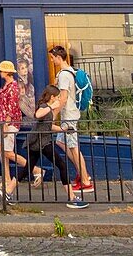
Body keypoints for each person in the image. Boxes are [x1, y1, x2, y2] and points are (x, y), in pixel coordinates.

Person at [26, 85, 88, 209]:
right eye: (58, 97)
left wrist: (62, 129)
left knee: (26, 169)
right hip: (43, 142)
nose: (59, 99)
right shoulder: (45, 106)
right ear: (52, 97)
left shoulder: (48, 108)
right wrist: (51, 107)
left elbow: (47, 126)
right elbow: (37, 115)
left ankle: (8, 192)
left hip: (38, 142)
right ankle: (72, 198)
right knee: (62, 165)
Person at [49, 45, 93, 192]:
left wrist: (53, 115)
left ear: (58, 57)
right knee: (61, 142)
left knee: (74, 148)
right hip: (70, 115)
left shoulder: (63, 75)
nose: (52, 60)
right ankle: (83, 173)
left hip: (69, 116)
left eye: (52, 57)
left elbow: (63, 98)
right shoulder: (70, 72)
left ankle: (85, 181)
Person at [0, 60, 40, 200]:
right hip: (4, 122)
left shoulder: (13, 87)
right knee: (0, 148)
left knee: (7, 152)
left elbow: (12, 107)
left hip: (9, 123)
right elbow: (4, 104)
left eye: (1, 70)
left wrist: (7, 123)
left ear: (7, 72)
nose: (0, 72)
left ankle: (36, 170)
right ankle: (7, 179)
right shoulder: (7, 86)